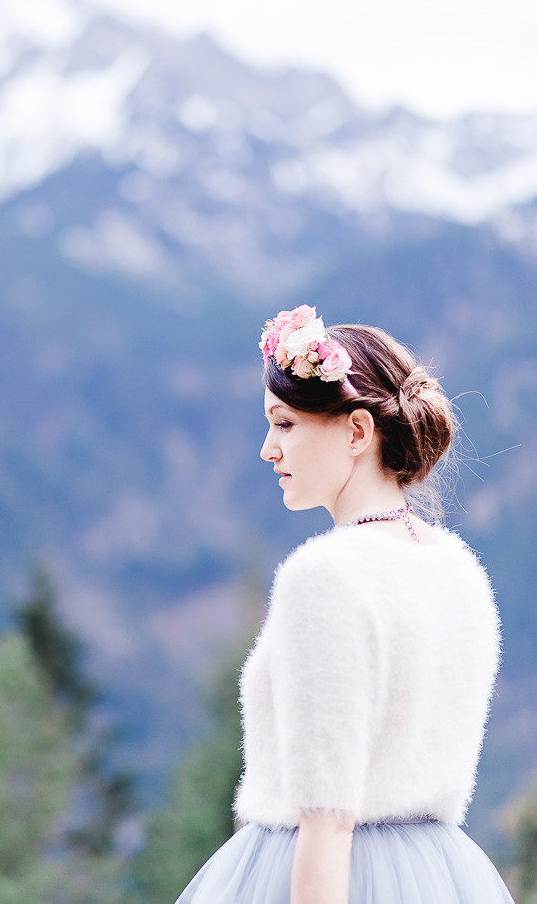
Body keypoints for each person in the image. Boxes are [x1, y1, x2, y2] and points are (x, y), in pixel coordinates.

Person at [175, 304, 515, 904]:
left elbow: (328, 822)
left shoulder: (327, 575)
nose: (267, 450)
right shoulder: (461, 570)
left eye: (284, 424)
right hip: (445, 877)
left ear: (357, 432)